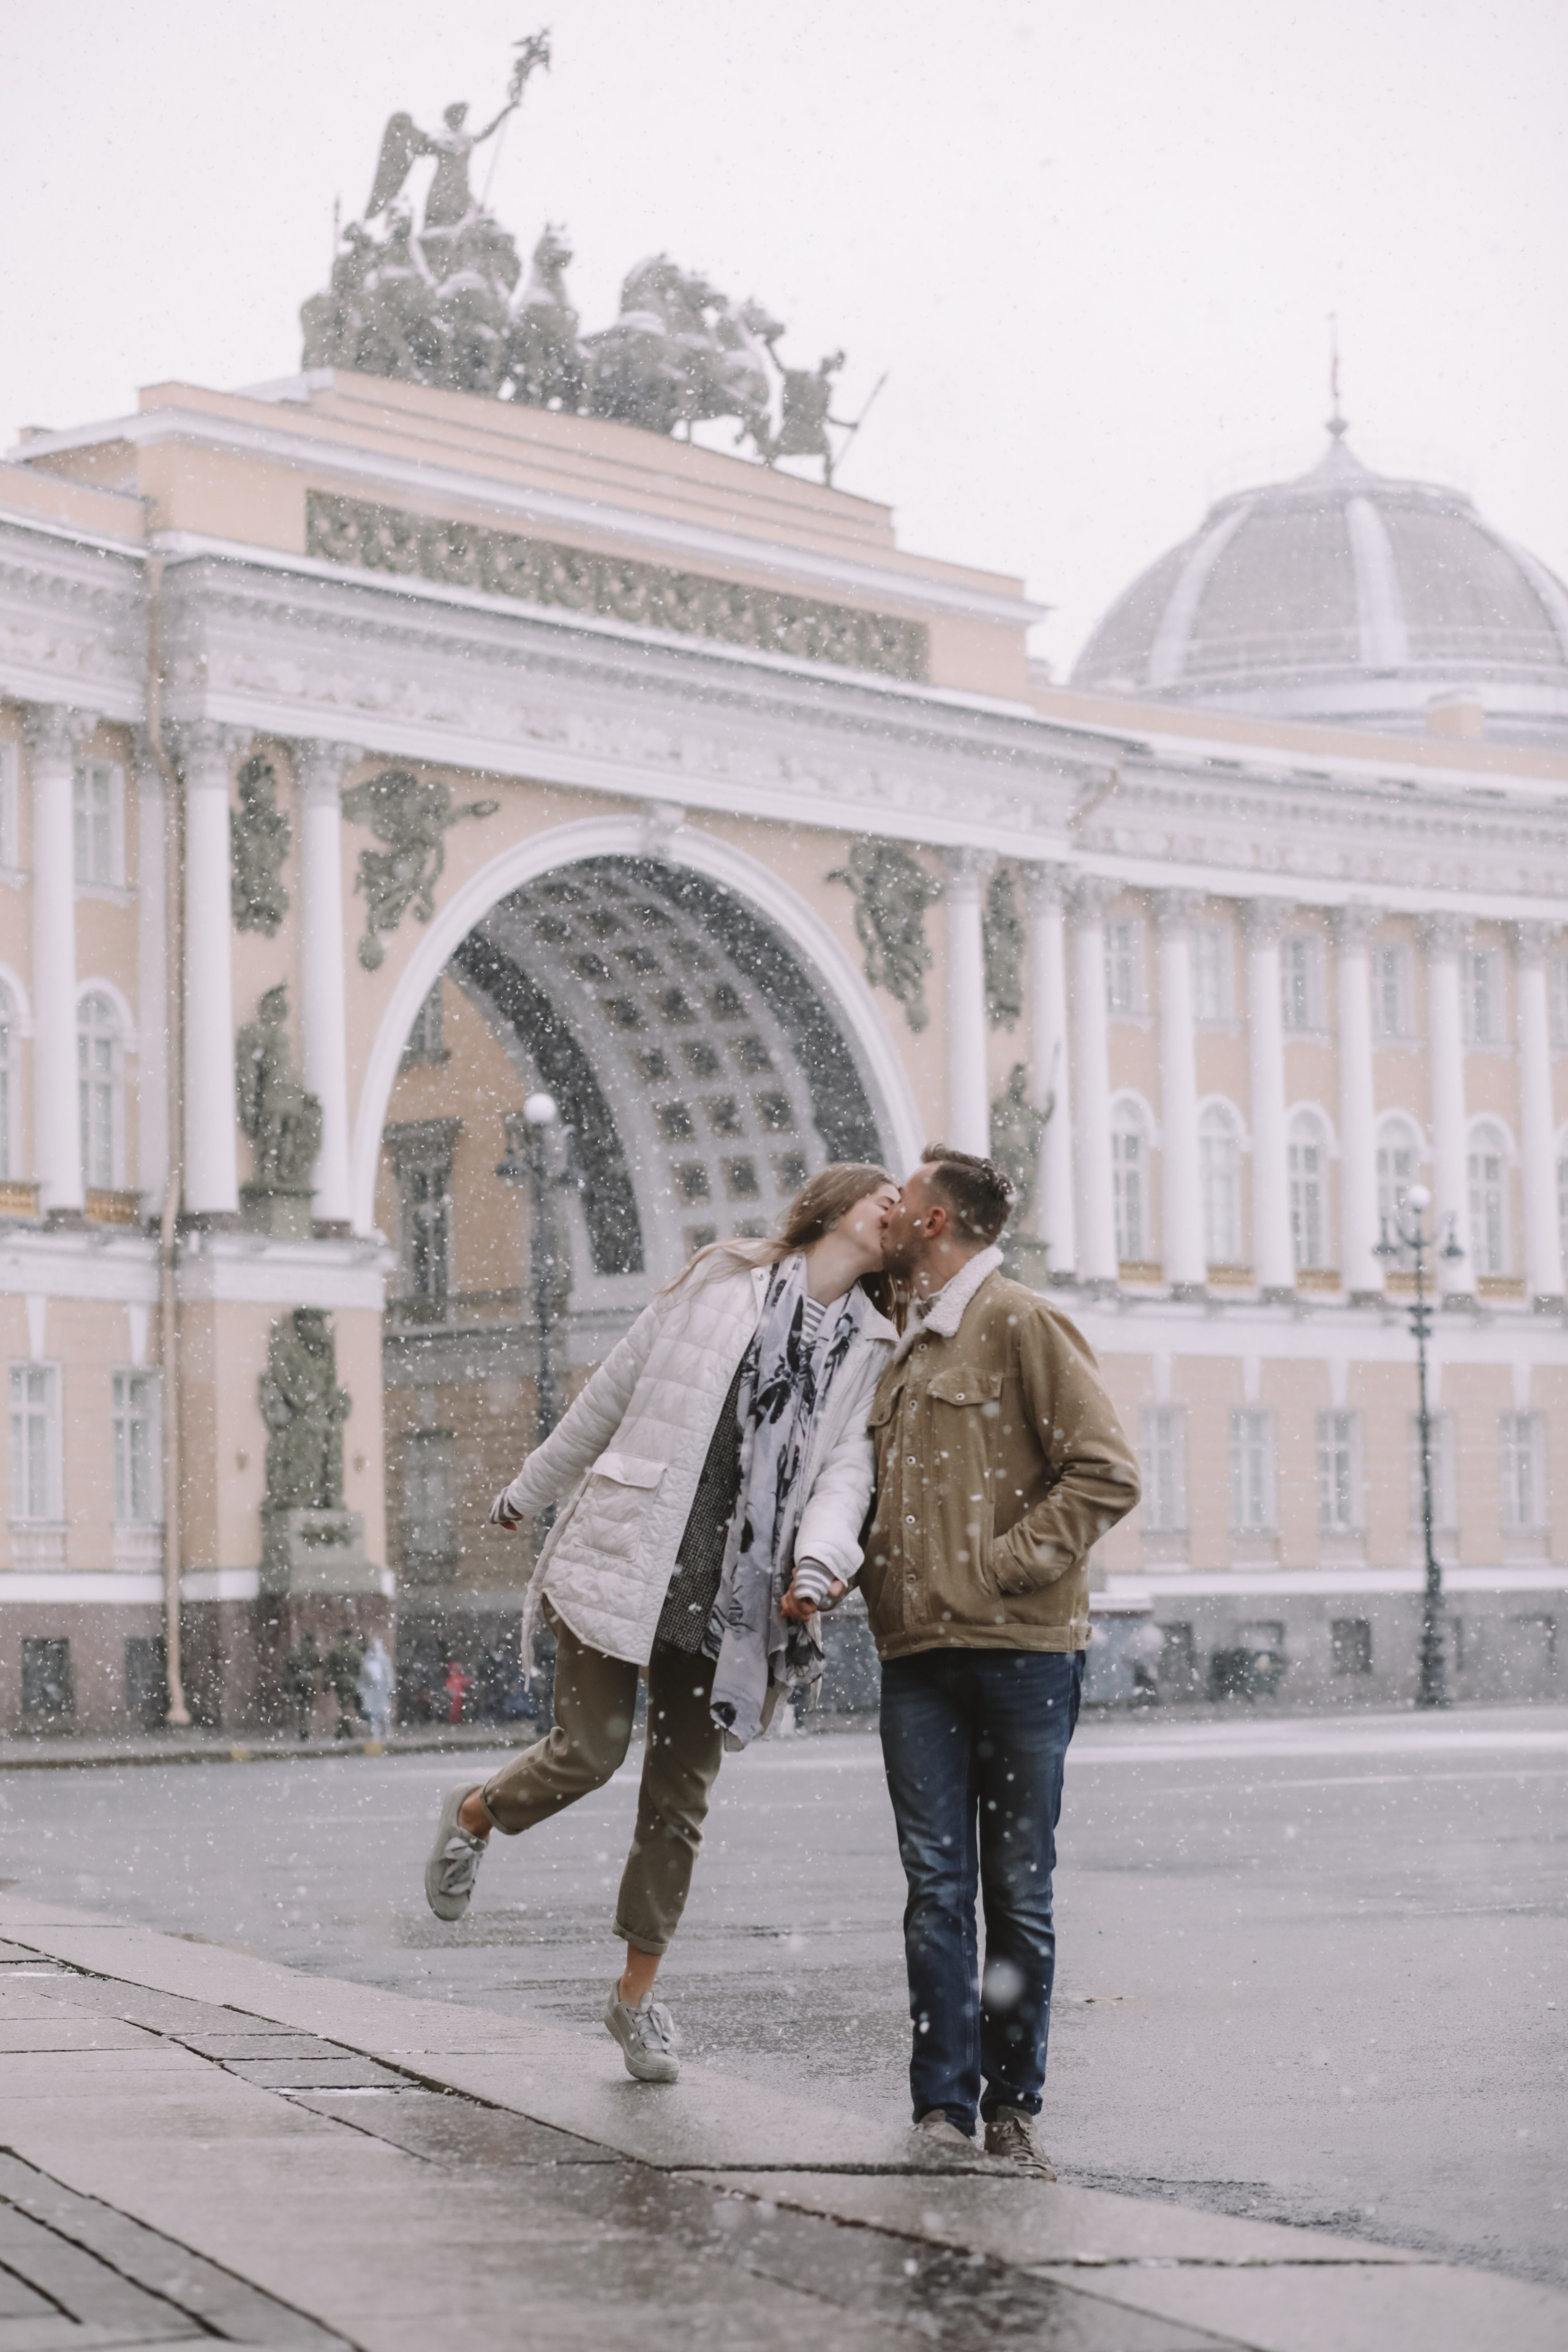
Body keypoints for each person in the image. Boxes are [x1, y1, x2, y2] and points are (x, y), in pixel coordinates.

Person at [422, 1164, 900, 2082]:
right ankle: (476, 1813)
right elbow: (615, 1388)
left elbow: (846, 1472)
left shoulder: (871, 1349)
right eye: (885, 1203)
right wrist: (529, 1489)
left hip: (739, 1591)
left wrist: (819, 1565)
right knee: (589, 1753)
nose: (896, 1219)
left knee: (677, 1806)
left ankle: (635, 2000)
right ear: (838, 1207)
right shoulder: (721, 1280)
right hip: (631, 1547)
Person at [862, 1145, 1140, 2176]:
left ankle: (1013, 2106)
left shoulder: (1021, 1322)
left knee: (1016, 1889)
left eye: (907, 1200)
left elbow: (1105, 1472)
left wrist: (1003, 1566)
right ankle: (942, 2113)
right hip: (916, 1663)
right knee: (936, 1889)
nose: (890, 1215)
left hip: (1022, 1655)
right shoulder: (903, 1348)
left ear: (937, 1222)